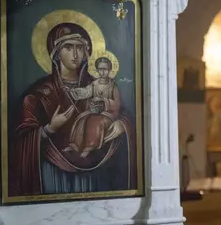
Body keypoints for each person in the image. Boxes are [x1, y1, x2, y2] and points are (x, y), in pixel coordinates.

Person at [9, 23, 137, 197]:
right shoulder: (38, 95)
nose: (75, 54)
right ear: (56, 54)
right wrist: (49, 129)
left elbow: (124, 113)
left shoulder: (98, 84)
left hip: (100, 176)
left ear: (86, 52)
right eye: (68, 48)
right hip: (54, 177)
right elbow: (19, 142)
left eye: (80, 48)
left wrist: (122, 125)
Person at [64, 57, 124, 158]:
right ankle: (75, 146)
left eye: (105, 69)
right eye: (100, 69)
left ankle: (89, 147)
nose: (103, 72)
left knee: (96, 121)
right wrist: (72, 91)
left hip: (108, 114)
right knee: (81, 119)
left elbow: (117, 104)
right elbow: (86, 92)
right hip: (93, 110)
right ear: (97, 70)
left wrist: (105, 101)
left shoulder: (113, 86)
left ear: (109, 70)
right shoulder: (94, 84)